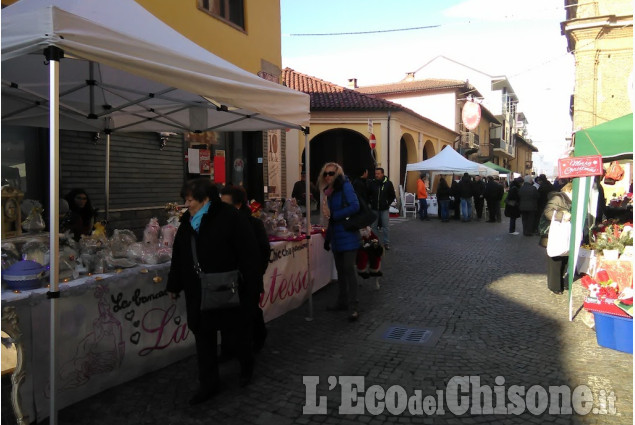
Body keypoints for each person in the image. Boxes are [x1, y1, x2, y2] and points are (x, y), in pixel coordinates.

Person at [166, 178, 261, 405]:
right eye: (186, 199)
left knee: (236, 334)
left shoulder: (229, 217)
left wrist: (253, 286)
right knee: (203, 339)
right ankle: (208, 384)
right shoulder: (186, 223)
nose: (186, 204)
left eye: (190, 199)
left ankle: (246, 365)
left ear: (206, 198)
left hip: (227, 288)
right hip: (198, 291)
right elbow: (179, 257)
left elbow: (249, 253)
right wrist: (173, 284)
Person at [220, 185, 270, 355]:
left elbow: (264, 250)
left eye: (226, 204)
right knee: (229, 314)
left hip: (248, 278)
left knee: (249, 313)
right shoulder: (222, 223)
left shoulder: (254, 224)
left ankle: (254, 341)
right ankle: (229, 349)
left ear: (239, 205)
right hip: (228, 278)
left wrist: (256, 273)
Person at [319, 162, 362, 322]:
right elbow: (330, 218)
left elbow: (355, 206)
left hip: (349, 235)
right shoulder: (329, 192)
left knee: (349, 269)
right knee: (341, 272)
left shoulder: (346, 186)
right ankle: (342, 301)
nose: (328, 176)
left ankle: (354, 307)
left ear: (337, 174)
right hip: (337, 237)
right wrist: (328, 237)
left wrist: (335, 214)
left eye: (331, 173)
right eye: (325, 174)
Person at [538, 183, 573, 294]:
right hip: (553, 233)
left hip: (564, 233)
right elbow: (548, 212)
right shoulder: (558, 198)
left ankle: (561, 283)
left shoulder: (568, 199)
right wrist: (562, 215)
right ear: (570, 190)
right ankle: (555, 286)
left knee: (564, 258)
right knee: (555, 260)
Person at [369, 167, 396, 250]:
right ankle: (375, 242)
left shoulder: (388, 183)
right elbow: (369, 193)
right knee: (373, 226)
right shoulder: (372, 183)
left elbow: (392, 195)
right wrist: (371, 202)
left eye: (378, 173)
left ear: (382, 174)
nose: (376, 175)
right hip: (374, 208)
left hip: (384, 208)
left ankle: (386, 243)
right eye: (375, 173)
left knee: (385, 226)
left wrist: (387, 203)